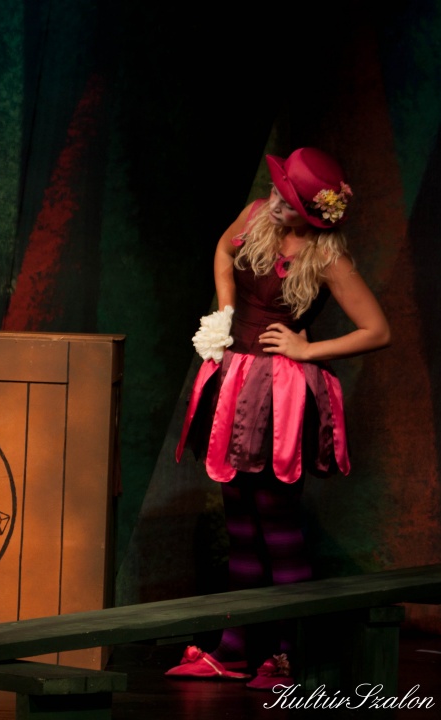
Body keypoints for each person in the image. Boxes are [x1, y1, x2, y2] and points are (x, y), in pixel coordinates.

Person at [167, 148, 390, 689]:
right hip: (233, 383)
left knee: (278, 526)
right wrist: (225, 309)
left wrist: (306, 350)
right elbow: (224, 250)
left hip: (279, 397)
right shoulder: (254, 216)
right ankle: (235, 650)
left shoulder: (327, 258)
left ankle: (289, 656)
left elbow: (377, 330)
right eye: (278, 193)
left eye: (289, 203)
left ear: (313, 215)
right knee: (240, 525)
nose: (276, 205)